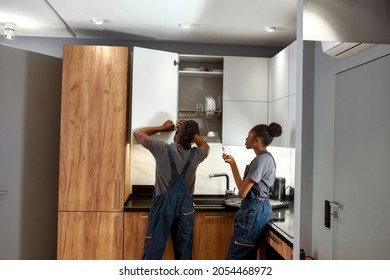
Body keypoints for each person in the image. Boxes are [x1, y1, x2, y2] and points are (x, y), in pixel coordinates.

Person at [133, 119, 209, 260]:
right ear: (193, 137)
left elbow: (138, 133)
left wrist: (163, 127)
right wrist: (190, 131)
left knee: (152, 254)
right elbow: (206, 146)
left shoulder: (162, 148)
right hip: (185, 209)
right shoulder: (196, 155)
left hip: (163, 208)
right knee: (184, 256)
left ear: (177, 133)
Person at [222, 122, 282, 259]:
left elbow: (242, 194)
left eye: (249, 136)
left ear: (257, 141)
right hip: (257, 209)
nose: (246, 138)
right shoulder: (264, 158)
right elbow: (242, 188)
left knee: (235, 258)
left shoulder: (261, 161)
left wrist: (242, 193)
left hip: (253, 211)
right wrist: (233, 164)